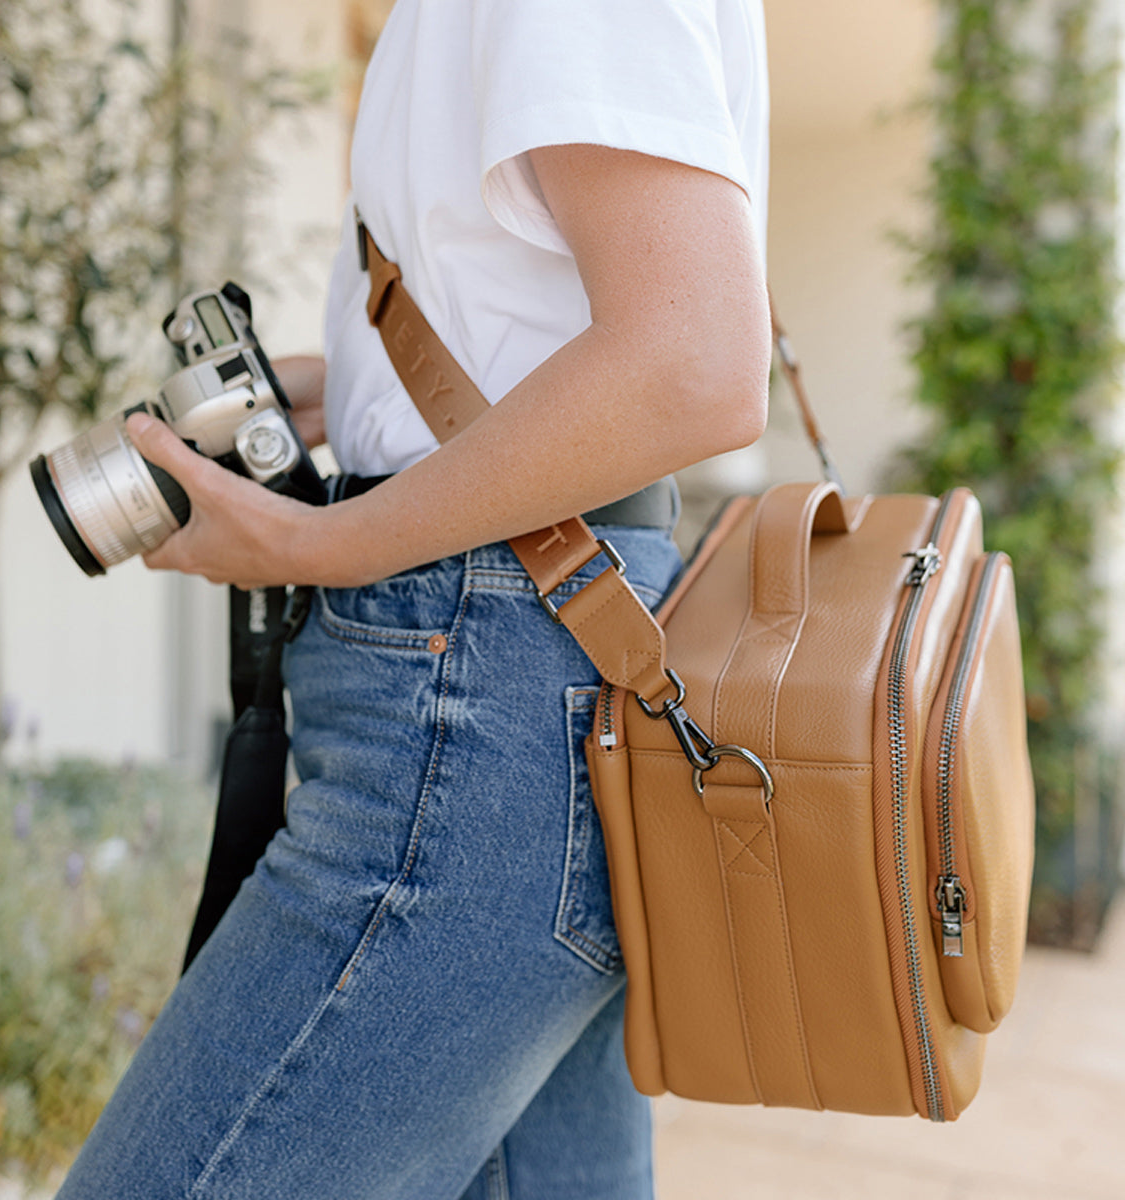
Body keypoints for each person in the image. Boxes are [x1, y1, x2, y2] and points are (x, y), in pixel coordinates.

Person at [56, 1, 770, 1195]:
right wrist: (366, 393)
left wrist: (315, 538)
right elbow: (568, 320)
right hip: (524, 672)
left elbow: (690, 362)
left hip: (482, 684)